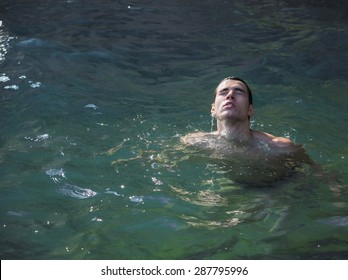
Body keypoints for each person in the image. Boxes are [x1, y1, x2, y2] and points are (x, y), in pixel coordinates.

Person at [180, 77, 315, 184]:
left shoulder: (280, 146)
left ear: (250, 109)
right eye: (223, 92)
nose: (230, 95)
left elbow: (317, 173)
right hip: (233, 189)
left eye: (238, 91)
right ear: (213, 109)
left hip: (279, 189)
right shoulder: (195, 142)